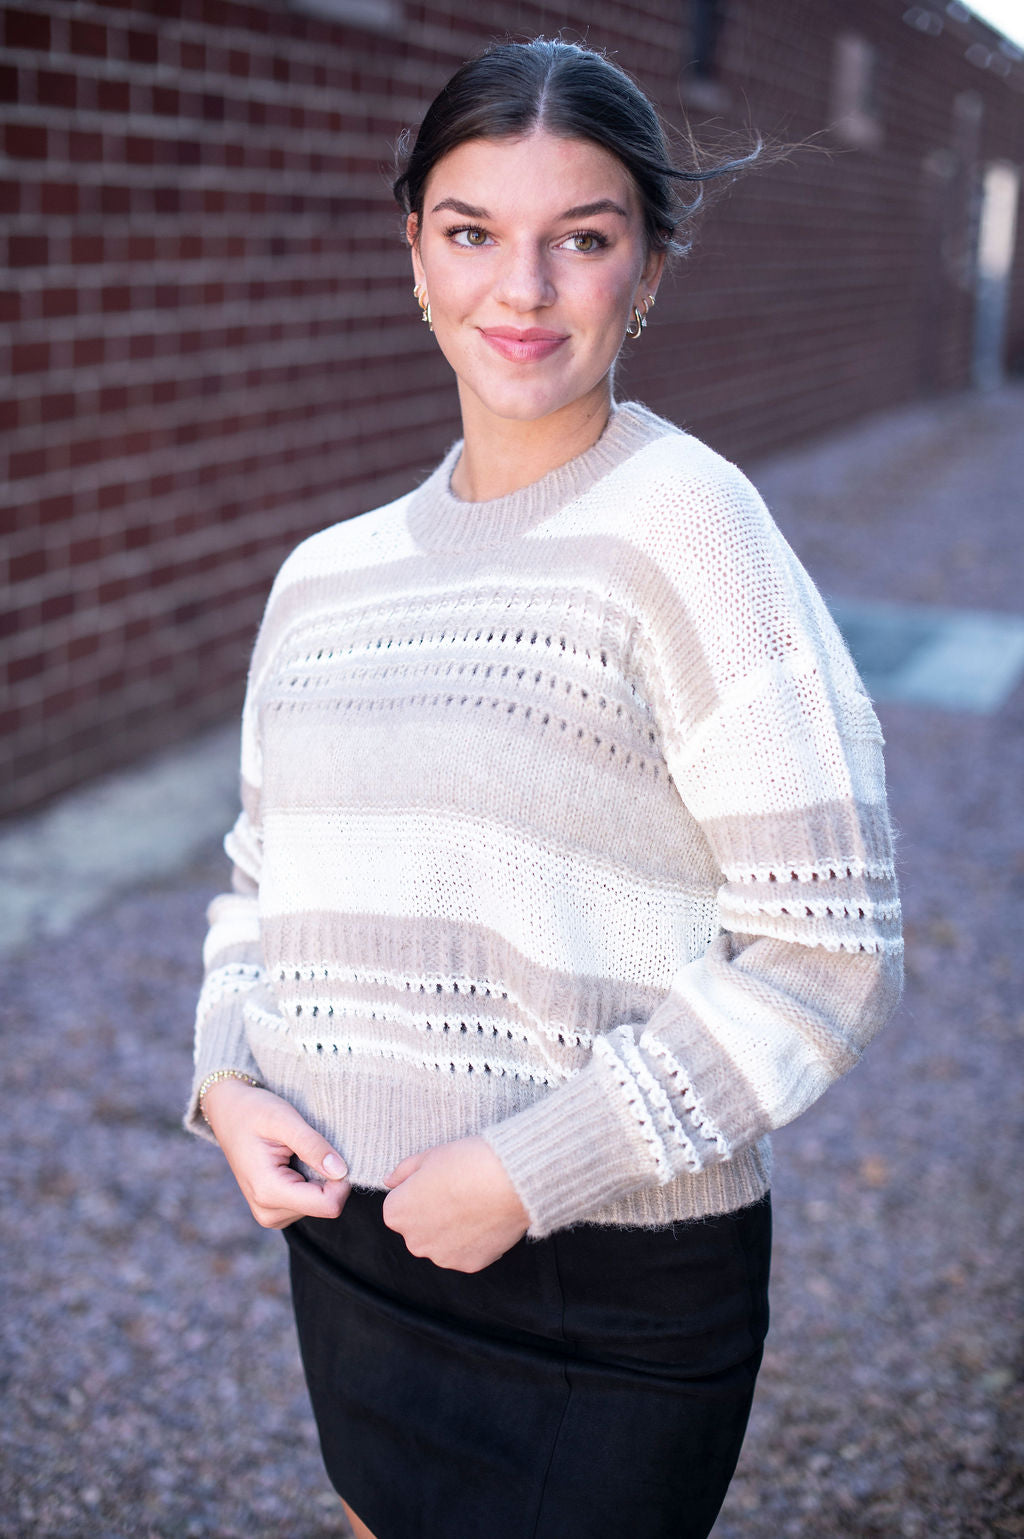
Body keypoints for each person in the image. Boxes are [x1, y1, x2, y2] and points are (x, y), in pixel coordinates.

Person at [186, 38, 903, 1539]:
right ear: (416, 256)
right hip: (353, 1253)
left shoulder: (692, 531)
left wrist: (529, 1170)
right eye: (474, 234)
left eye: (579, 240)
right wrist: (222, 1079)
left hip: (605, 1285)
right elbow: (262, 880)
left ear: (646, 271)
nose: (521, 291)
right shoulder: (326, 579)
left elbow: (825, 954)